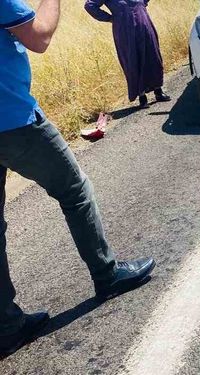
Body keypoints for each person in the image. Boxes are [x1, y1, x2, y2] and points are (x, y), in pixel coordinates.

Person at [0, 0, 156, 355]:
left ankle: (6, 326)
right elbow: (38, 37)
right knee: (74, 191)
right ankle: (107, 274)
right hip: (12, 120)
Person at [85, 0, 171, 109]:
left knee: (153, 56)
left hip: (144, 24)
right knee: (132, 60)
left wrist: (141, 6)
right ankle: (142, 97)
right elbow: (90, 6)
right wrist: (110, 18)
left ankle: (158, 91)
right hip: (124, 30)